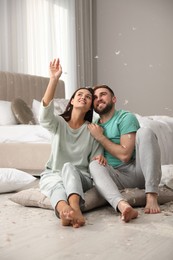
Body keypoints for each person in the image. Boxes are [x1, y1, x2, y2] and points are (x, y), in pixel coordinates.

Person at [39, 59, 105, 228]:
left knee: (68, 167)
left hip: (81, 177)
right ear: (72, 102)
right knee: (57, 188)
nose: (84, 97)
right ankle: (64, 211)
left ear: (90, 106)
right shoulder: (58, 123)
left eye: (88, 97)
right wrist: (53, 79)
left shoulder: (92, 129)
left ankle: (75, 208)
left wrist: (100, 159)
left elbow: (96, 159)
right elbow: (44, 115)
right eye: (80, 95)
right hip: (53, 174)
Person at [88, 85, 162, 222]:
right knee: (94, 165)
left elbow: (125, 155)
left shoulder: (125, 117)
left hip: (138, 173)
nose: (99, 99)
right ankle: (122, 206)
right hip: (116, 177)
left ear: (114, 99)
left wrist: (101, 137)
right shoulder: (94, 126)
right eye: (95, 97)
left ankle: (151, 194)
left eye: (103, 94)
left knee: (145, 132)